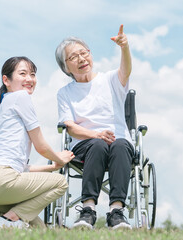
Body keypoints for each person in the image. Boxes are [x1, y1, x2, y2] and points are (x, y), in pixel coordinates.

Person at [0, 56, 74, 228]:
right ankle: (9, 219)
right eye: (23, 73)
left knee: (38, 228)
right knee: (60, 183)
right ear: (6, 80)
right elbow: (41, 147)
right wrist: (59, 158)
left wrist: (51, 167)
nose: (30, 79)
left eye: (33, 74)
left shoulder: (6, 103)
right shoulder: (21, 97)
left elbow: (17, 167)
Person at [55, 24, 134, 229]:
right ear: (65, 67)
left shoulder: (110, 80)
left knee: (119, 145)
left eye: (84, 53)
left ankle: (116, 211)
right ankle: (88, 209)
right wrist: (95, 135)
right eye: (73, 57)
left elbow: (126, 70)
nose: (81, 59)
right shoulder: (65, 93)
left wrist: (124, 48)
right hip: (85, 143)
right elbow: (70, 127)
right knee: (97, 145)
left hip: (118, 141)